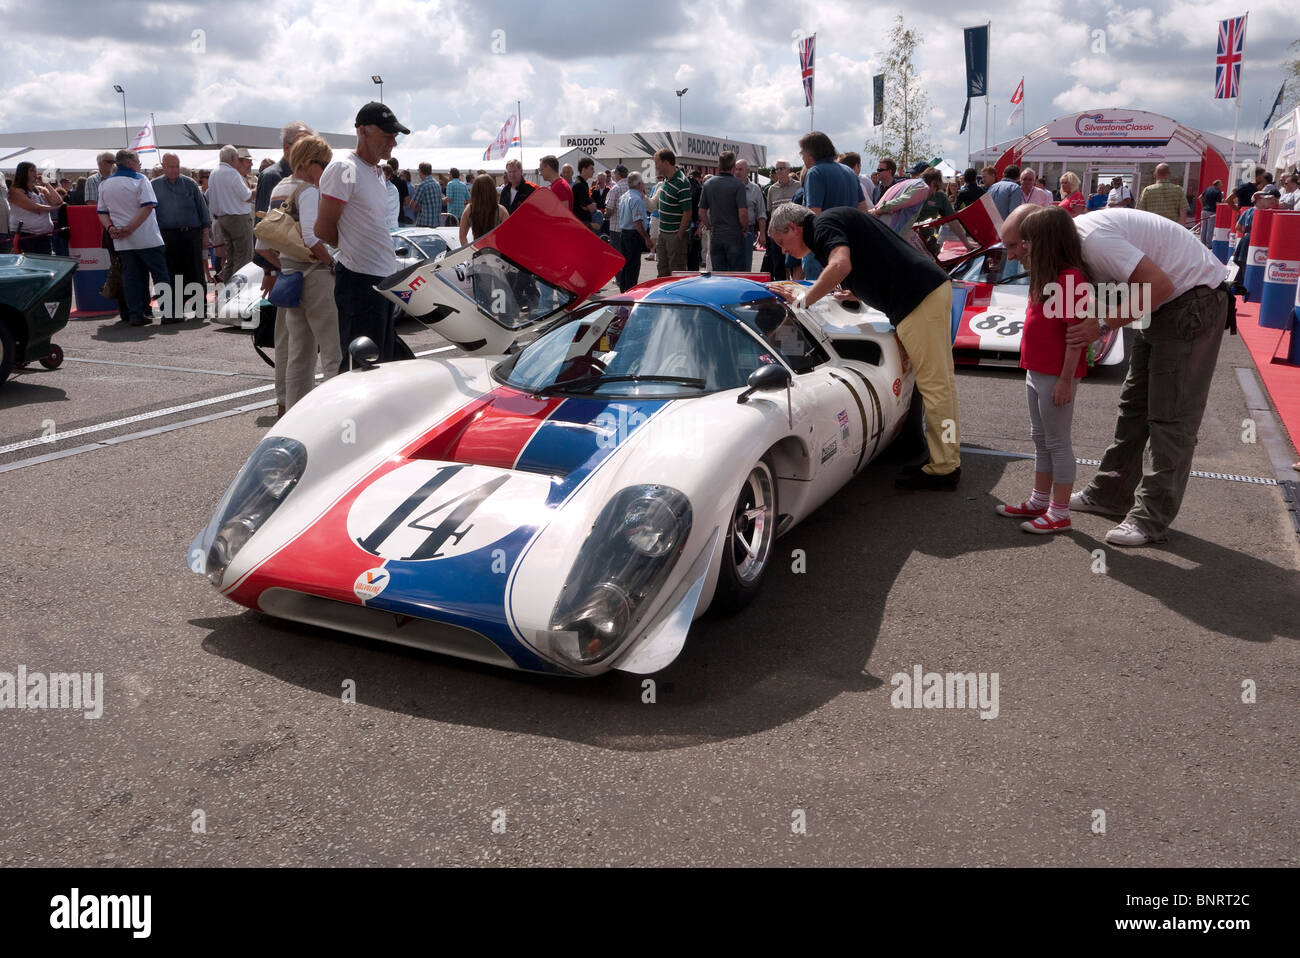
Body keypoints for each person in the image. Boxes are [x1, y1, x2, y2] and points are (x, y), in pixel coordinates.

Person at [1004, 204, 1232, 547]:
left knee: (1170, 417)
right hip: (1160, 306)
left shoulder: (1093, 242)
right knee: (1133, 406)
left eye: (1017, 245)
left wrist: (1104, 323)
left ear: (1039, 235)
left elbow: (1160, 284)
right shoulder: (1067, 251)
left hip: (1189, 301)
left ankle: (1150, 519)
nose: (1014, 255)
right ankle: (1110, 493)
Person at [766, 202, 960, 490]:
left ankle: (944, 467)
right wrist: (856, 291)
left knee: (936, 386)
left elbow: (841, 264)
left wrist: (804, 299)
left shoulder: (821, 226)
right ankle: (946, 458)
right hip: (926, 292)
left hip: (918, 299)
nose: (783, 250)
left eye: (782, 242)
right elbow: (869, 258)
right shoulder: (830, 222)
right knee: (940, 384)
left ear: (794, 227)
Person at [994, 206, 1090, 533]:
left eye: (1029, 241)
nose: (1023, 248)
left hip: (1054, 375)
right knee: (1041, 438)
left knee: (1057, 441)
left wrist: (1065, 380)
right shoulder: (1046, 276)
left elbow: (1075, 338)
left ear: (1045, 241)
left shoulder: (1069, 279)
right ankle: (1039, 500)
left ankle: (1059, 511)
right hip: (1036, 371)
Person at [315, 101, 408, 366]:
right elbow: (322, 228)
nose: (393, 142)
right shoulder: (345, 168)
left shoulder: (373, 171)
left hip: (378, 278)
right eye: (387, 135)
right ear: (363, 131)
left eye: (394, 136)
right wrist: (352, 252)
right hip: (360, 279)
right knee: (363, 366)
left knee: (379, 363)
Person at [256, 135, 343, 414]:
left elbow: (263, 245)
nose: (327, 169)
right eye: (324, 163)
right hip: (316, 276)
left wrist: (286, 266)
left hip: (290, 278)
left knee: (299, 353)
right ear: (309, 162)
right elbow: (311, 235)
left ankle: (294, 413)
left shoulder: (280, 187)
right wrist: (330, 263)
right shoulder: (307, 190)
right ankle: (336, 413)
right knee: (332, 351)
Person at [97, 150, 170, 326]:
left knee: (131, 277)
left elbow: (101, 212)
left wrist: (111, 228)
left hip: (122, 240)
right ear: (130, 162)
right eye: (138, 161)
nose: (139, 164)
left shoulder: (105, 184)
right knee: (160, 274)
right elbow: (147, 207)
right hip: (146, 237)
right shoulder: (140, 179)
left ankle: (135, 314)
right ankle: (169, 313)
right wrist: (130, 228)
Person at [151, 152, 211, 317]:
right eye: (171, 166)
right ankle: (176, 310)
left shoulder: (189, 184)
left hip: (191, 234)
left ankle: (199, 308)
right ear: (163, 166)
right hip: (167, 236)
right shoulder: (154, 185)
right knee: (173, 273)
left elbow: (203, 211)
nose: (174, 170)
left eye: (177, 166)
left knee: (195, 272)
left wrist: (205, 235)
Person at [208, 145, 254, 281]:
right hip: (237, 219)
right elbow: (247, 196)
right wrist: (257, 189)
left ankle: (227, 290)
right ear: (233, 158)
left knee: (231, 257)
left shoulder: (214, 173)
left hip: (223, 219)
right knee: (243, 257)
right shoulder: (232, 173)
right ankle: (238, 293)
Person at [699, 151, 750, 271]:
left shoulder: (708, 184)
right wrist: (745, 228)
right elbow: (742, 213)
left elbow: (701, 212)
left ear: (718, 166)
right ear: (733, 167)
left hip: (716, 234)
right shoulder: (738, 185)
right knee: (736, 275)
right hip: (734, 234)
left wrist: (710, 227)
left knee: (719, 275)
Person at [799, 131, 865, 213]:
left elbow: (814, 213)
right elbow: (863, 208)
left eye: (802, 153)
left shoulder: (815, 173)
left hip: (826, 225)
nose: (802, 157)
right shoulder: (850, 171)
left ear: (810, 153)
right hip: (852, 225)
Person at [7, 161, 62, 253]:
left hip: (43, 235)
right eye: (32, 171)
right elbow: (34, 207)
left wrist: (47, 184)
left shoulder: (40, 189)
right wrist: (54, 208)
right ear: (23, 173)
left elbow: (58, 201)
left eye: (36, 171)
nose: (35, 173)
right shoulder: (15, 190)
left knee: (43, 264)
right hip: (25, 234)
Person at [652, 148, 691, 276]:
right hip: (663, 233)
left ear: (666, 163)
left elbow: (687, 212)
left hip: (674, 234)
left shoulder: (681, 182)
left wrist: (679, 235)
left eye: (657, 163)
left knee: (676, 271)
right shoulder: (666, 180)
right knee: (662, 269)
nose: (655, 166)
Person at [617, 171, 653, 292]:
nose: (643, 184)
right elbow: (637, 223)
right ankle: (630, 294)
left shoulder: (624, 196)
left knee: (626, 266)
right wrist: (646, 238)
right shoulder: (636, 199)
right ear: (638, 184)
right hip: (633, 236)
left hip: (624, 233)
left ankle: (623, 293)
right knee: (633, 268)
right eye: (642, 182)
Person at [764, 159, 799, 279]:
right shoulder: (772, 189)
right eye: (777, 169)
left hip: (793, 232)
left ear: (788, 170)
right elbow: (769, 212)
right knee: (778, 264)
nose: (779, 171)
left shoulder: (798, 186)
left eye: (782, 168)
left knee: (795, 264)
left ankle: (795, 292)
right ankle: (780, 292)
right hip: (777, 233)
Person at [458, 174, 509, 245]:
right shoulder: (501, 210)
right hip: (496, 253)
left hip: (477, 252)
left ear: (475, 190)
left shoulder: (469, 209)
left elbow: (462, 237)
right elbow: (508, 235)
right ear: (492, 190)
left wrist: (470, 253)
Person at [734, 158, 766, 265]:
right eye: (736, 169)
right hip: (731, 230)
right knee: (731, 265)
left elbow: (761, 213)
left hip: (748, 231)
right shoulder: (729, 186)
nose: (737, 172)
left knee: (746, 263)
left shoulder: (755, 189)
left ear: (748, 171)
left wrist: (762, 234)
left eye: (740, 169)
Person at [411, 162, 445, 227]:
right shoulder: (437, 184)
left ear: (421, 171)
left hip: (424, 222)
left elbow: (412, 205)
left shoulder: (422, 185)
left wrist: (421, 209)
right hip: (436, 223)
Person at [572, 156, 596, 228]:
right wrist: (590, 205)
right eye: (591, 168)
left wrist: (589, 205)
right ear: (584, 169)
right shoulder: (580, 185)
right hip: (581, 224)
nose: (594, 171)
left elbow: (589, 206)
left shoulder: (583, 184)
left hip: (582, 223)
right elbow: (591, 208)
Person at [1198, 179, 1223, 246]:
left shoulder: (1208, 189)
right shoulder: (1218, 192)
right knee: (1210, 228)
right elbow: (1217, 203)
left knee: (1203, 227)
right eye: (1221, 183)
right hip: (1212, 211)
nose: (1222, 185)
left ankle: (1202, 243)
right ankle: (1209, 244)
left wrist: (1203, 206)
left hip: (1204, 210)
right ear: (1218, 184)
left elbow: (1200, 197)